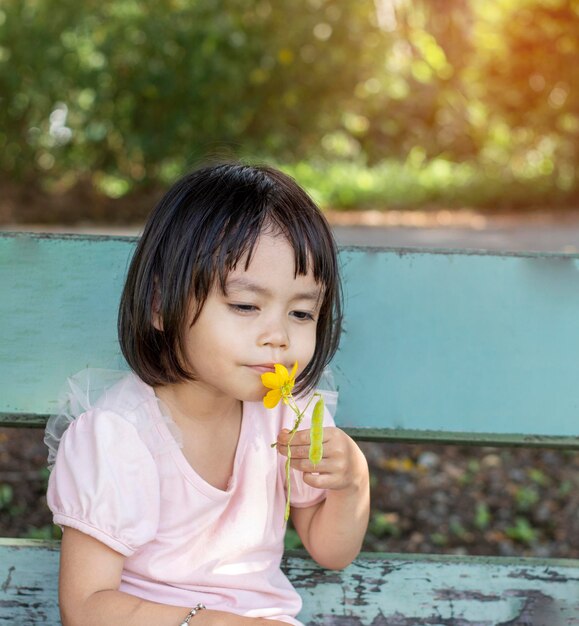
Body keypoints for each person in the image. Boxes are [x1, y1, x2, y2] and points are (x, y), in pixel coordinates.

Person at [45, 162, 370, 626]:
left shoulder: (287, 412)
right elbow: (85, 606)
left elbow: (330, 549)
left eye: (301, 313)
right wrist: (216, 622)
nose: (277, 335)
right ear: (161, 304)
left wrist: (352, 480)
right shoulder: (120, 435)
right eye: (244, 305)